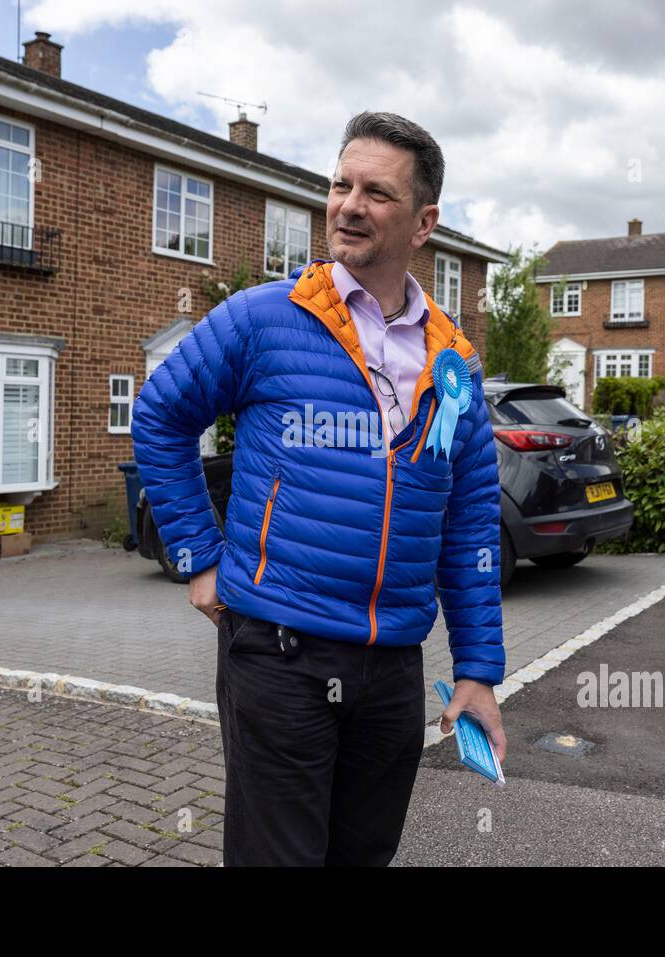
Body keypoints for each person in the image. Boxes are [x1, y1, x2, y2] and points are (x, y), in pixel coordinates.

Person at [130, 112, 506, 867]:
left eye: (377, 192)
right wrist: (198, 556)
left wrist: (476, 671)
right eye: (341, 185)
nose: (349, 205)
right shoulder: (265, 319)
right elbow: (160, 415)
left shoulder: (453, 361)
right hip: (278, 655)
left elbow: (469, 524)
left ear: (424, 221)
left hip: (394, 667)